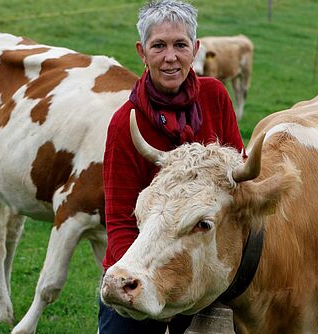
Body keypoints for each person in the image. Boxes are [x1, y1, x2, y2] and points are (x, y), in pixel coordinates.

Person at [99, 1, 244, 333]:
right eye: (158, 46)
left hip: (203, 273)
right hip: (141, 270)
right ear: (142, 51)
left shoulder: (215, 96)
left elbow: (238, 183)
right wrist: (149, 280)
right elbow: (120, 220)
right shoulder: (126, 123)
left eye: (180, 45)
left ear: (195, 49)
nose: (170, 57)